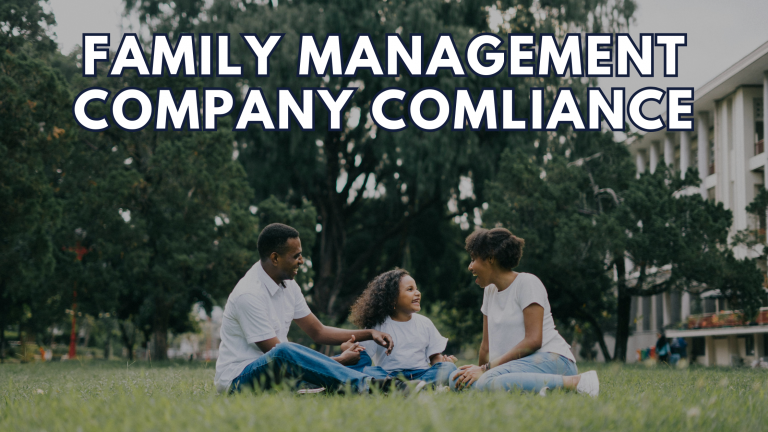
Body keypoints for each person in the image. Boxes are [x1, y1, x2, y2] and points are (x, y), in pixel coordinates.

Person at [214, 223, 402, 394]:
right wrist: (340, 361)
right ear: (275, 258)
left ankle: (316, 388)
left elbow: (318, 332)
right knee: (284, 350)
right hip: (239, 380)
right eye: (296, 256)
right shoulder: (248, 294)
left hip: (281, 373)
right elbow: (281, 358)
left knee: (360, 358)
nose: (302, 261)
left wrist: (370, 334)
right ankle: (369, 385)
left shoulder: (288, 285)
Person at [450, 228, 599, 397]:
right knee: (456, 380)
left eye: (473, 259)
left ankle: (577, 382)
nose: (470, 266)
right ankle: (535, 389)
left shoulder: (527, 283)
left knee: (489, 381)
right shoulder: (489, 292)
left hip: (551, 359)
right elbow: (486, 347)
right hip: (513, 367)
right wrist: (477, 373)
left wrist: (486, 370)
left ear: (490, 258)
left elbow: (533, 341)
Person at [342, 268, 458, 386]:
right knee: (369, 371)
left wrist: (442, 364)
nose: (417, 293)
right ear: (392, 299)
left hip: (422, 374)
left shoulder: (425, 323)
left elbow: (434, 356)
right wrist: (349, 347)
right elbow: (362, 356)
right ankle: (405, 387)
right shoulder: (378, 326)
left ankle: (415, 386)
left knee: (449, 368)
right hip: (389, 376)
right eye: (410, 289)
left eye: (416, 289)